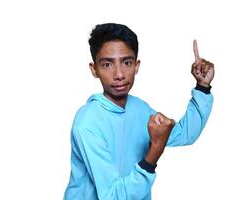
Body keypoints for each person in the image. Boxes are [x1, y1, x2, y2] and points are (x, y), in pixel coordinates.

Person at [63, 23, 214, 200]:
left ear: (137, 65)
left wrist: (202, 88)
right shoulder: (87, 123)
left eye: (126, 62)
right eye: (107, 64)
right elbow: (111, 196)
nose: (119, 74)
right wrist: (154, 152)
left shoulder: (139, 109)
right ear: (94, 69)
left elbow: (184, 135)